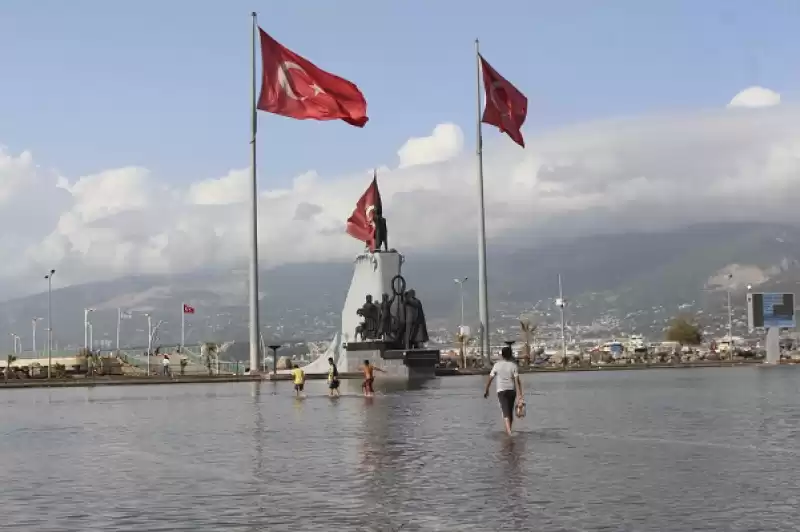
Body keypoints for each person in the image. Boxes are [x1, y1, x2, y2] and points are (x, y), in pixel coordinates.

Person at [483, 346, 524, 435]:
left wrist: (487, 390)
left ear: (502, 355)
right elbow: (517, 381)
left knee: (505, 411)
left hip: (501, 391)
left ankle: (509, 432)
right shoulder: (513, 365)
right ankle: (509, 430)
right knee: (510, 411)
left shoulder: (497, 365)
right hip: (512, 390)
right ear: (510, 355)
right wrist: (520, 395)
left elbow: (490, 378)